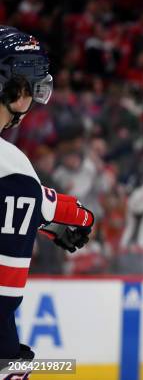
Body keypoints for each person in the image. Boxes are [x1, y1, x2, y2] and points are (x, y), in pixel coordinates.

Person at [0, 26, 94, 378]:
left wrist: (61, 220)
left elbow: (43, 203)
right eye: (30, 86)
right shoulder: (13, 168)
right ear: (16, 90)